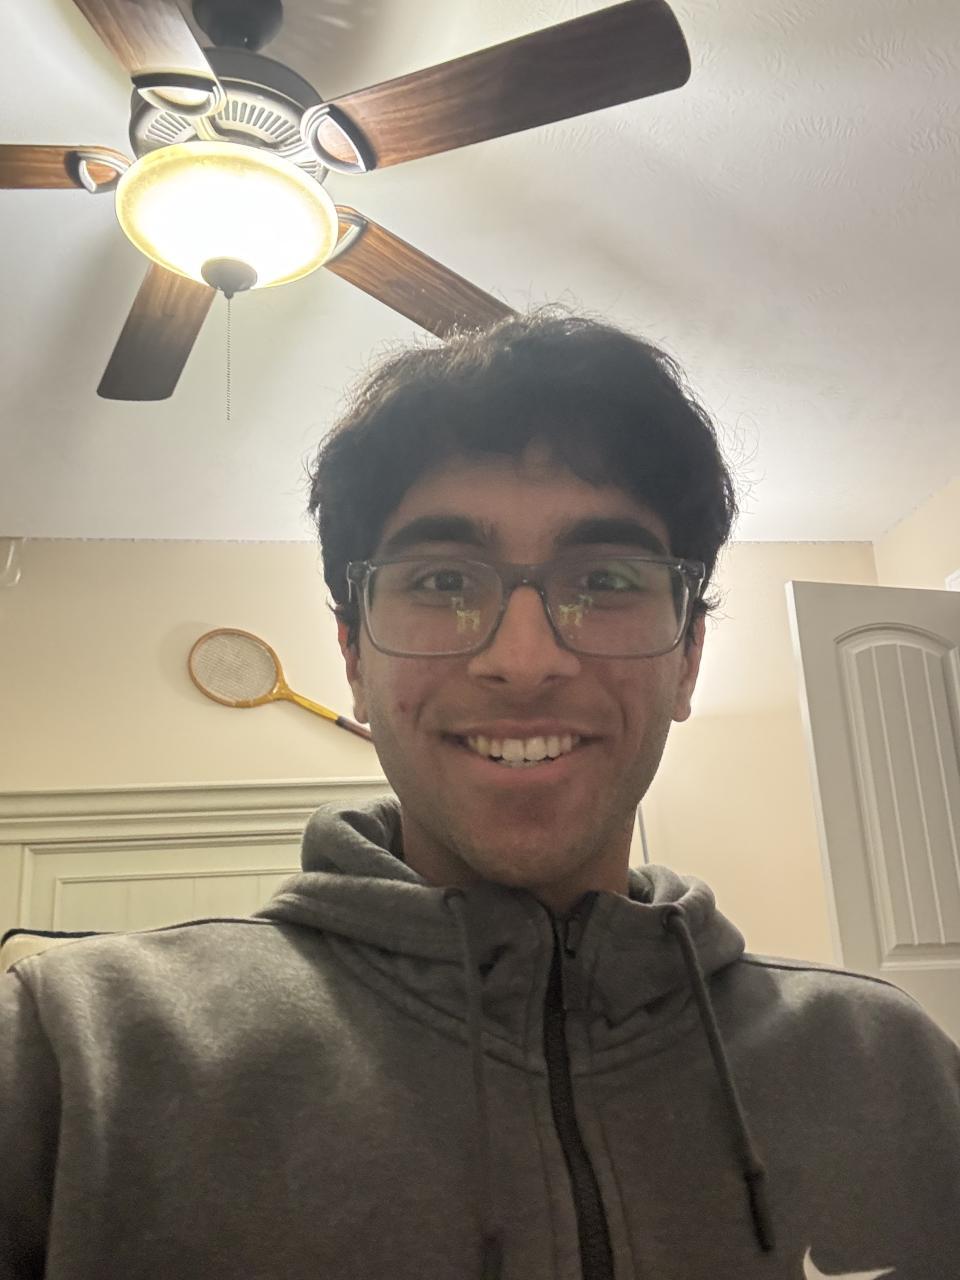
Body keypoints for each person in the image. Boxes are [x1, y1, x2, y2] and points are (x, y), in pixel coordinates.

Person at [1, 312, 958, 1280]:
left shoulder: (898, 1072)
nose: (524, 659)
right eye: (443, 579)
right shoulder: (69, 1056)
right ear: (354, 658)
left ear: (688, 658)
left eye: (606, 579)